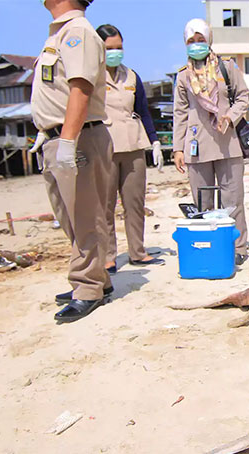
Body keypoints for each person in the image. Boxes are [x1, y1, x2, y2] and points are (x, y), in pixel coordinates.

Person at [29, 0, 113, 323]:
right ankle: (97, 280)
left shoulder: (78, 32)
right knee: (70, 217)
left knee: (85, 216)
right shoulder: (59, 34)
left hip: (78, 137)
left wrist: (66, 139)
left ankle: (87, 286)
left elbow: (80, 88)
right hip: (58, 136)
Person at [172, 18, 249, 265]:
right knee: (202, 203)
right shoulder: (183, 77)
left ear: (209, 40)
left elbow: (243, 97)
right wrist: (177, 148)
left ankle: (238, 247)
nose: (196, 45)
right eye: (191, 41)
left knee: (233, 200)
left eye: (200, 40)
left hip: (229, 145)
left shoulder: (226, 68)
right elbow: (180, 113)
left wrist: (230, 116)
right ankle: (209, 246)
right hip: (196, 147)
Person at [95, 24, 165, 273]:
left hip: (134, 144)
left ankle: (138, 251)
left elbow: (144, 111)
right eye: (109, 48)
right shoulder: (91, 75)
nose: (115, 53)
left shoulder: (131, 76)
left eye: (119, 48)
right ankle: (108, 256)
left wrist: (155, 141)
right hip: (104, 146)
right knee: (104, 205)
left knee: (134, 202)